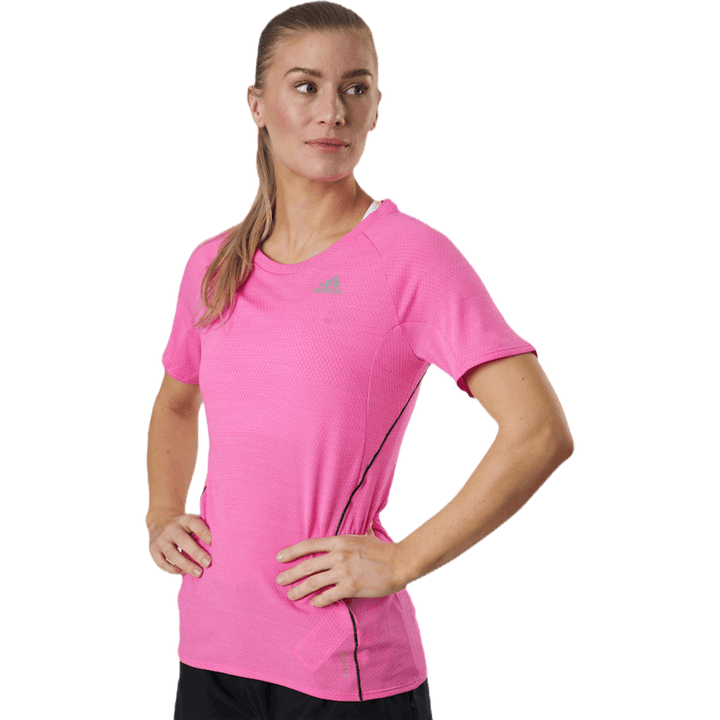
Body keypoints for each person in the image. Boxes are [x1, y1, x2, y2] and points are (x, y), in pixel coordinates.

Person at [145, 2, 576, 718]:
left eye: (355, 87)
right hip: (211, 647)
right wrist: (163, 511)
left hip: (341, 667)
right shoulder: (212, 264)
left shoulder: (411, 257)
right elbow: (175, 401)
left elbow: (539, 431)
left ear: (377, 108)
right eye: (305, 86)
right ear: (257, 105)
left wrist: (405, 559)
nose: (332, 112)